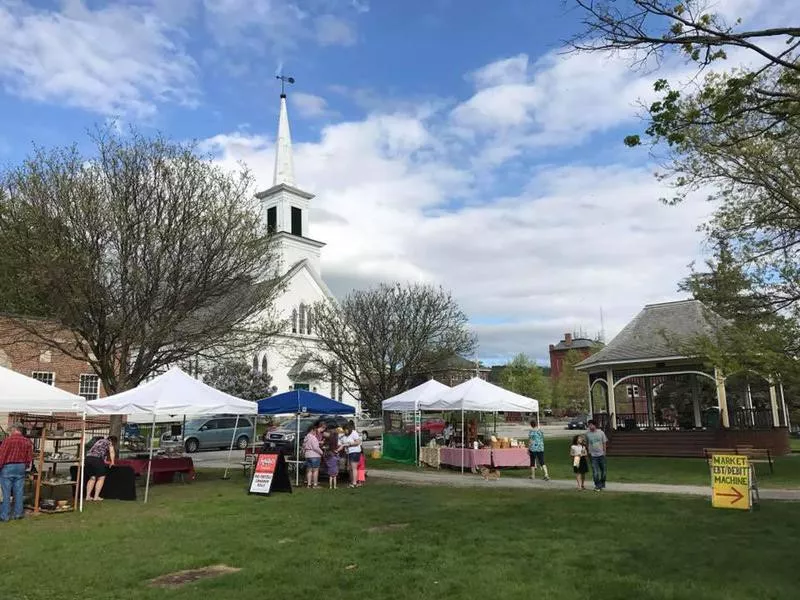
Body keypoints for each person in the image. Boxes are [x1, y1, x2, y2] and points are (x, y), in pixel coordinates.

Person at [0, 423, 33, 522]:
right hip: (21, 466)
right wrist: (25, 466)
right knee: (19, 492)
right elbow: (29, 457)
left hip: (8, 466)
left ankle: (5, 515)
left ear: (14, 429)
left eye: (10, 430)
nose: (9, 432)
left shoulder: (7, 441)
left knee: (6, 492)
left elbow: (2, 456)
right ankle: (18, 514)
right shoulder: (27, 441)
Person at [85, 435, 117, 502]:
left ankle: (88, 496)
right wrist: (112, 462)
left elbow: (100, 455)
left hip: (88, 458)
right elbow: (112, 452)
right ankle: (96, 497)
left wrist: (106, 462)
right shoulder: (109, 442)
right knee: (101, 477)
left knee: (92, 477)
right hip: (96, 459)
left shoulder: (99, 441)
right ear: (112, 441)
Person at [585, 420, 608, 491]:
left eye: (591, 425)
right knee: (595, 471)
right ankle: (597, 485)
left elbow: (604, 442)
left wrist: (604, 452)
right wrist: (588, 452)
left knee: (603, 471)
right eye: (589, 425)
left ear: (595, 425)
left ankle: (602, 482)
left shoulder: (601, 433)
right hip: (593, 455)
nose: (590, 426)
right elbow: (587, 443)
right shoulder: (587, 434)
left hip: (601, 454)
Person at [340, 421, 362, 488]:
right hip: (349, 452)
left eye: (345, 430)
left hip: (355, 452)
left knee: (353, 468)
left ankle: (354, 482)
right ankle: (353, 481)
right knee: (350, 468)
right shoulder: (344, 436)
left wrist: (349, 444)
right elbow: (341, 443)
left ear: (348, 429)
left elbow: (358, 442)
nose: (344, 431)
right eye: (344, 430)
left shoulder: (354, 433)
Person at [302, 422, 324, 489]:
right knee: (315, 471)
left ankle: (308, 484)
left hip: (308, 455)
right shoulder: (313, 437)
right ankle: (315, 484)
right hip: (315, 455)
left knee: (309, 470)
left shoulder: (306, 437)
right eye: (315, 431)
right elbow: (315, 447)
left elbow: (303, 446)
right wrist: (322, 452)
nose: (316, 432)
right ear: (312, 430)